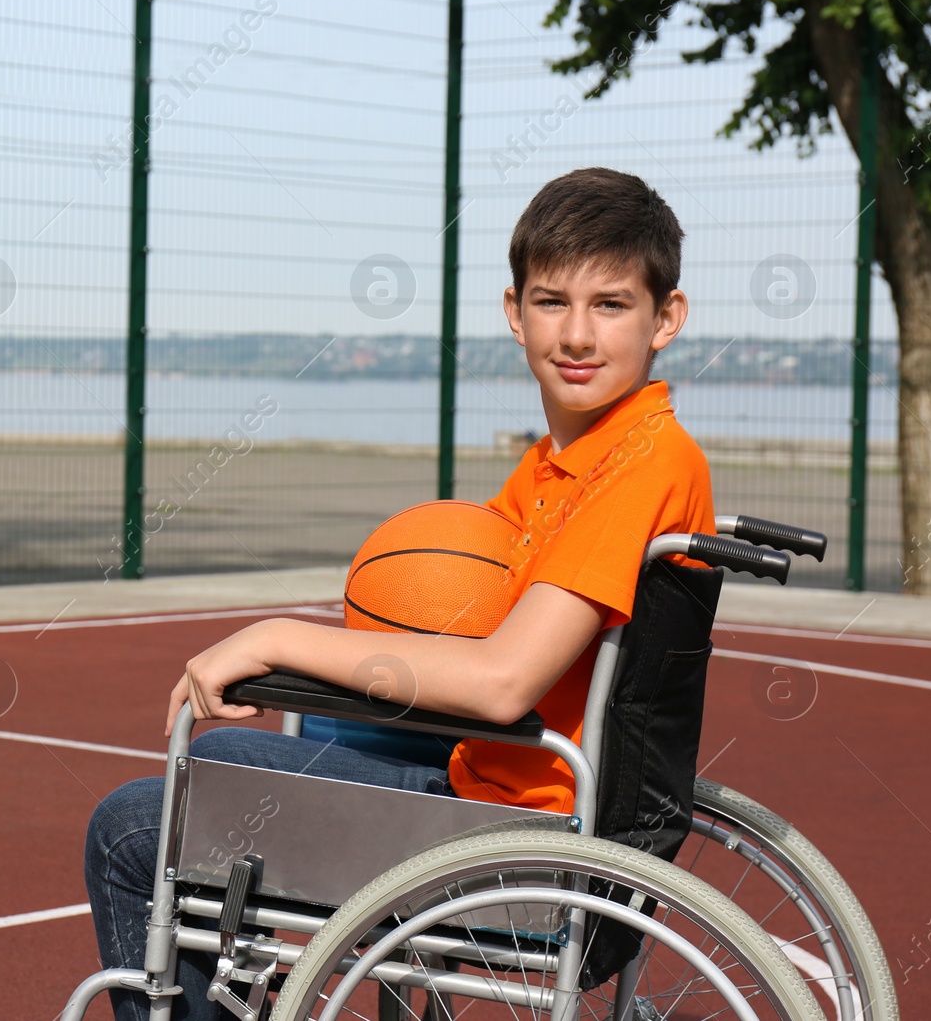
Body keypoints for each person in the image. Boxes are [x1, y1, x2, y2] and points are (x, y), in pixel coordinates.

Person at [83, 167, 715, 1019]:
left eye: (610, 304)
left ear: (665, 319)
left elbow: (500, 680)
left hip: (526, 838)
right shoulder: (568, 461)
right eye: (551, 300)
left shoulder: (639, 466)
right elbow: (451, 614)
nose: (575, 333)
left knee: (133, 828)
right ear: (513, 311)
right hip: (518, 790)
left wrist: (279, 637)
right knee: (237, 759)